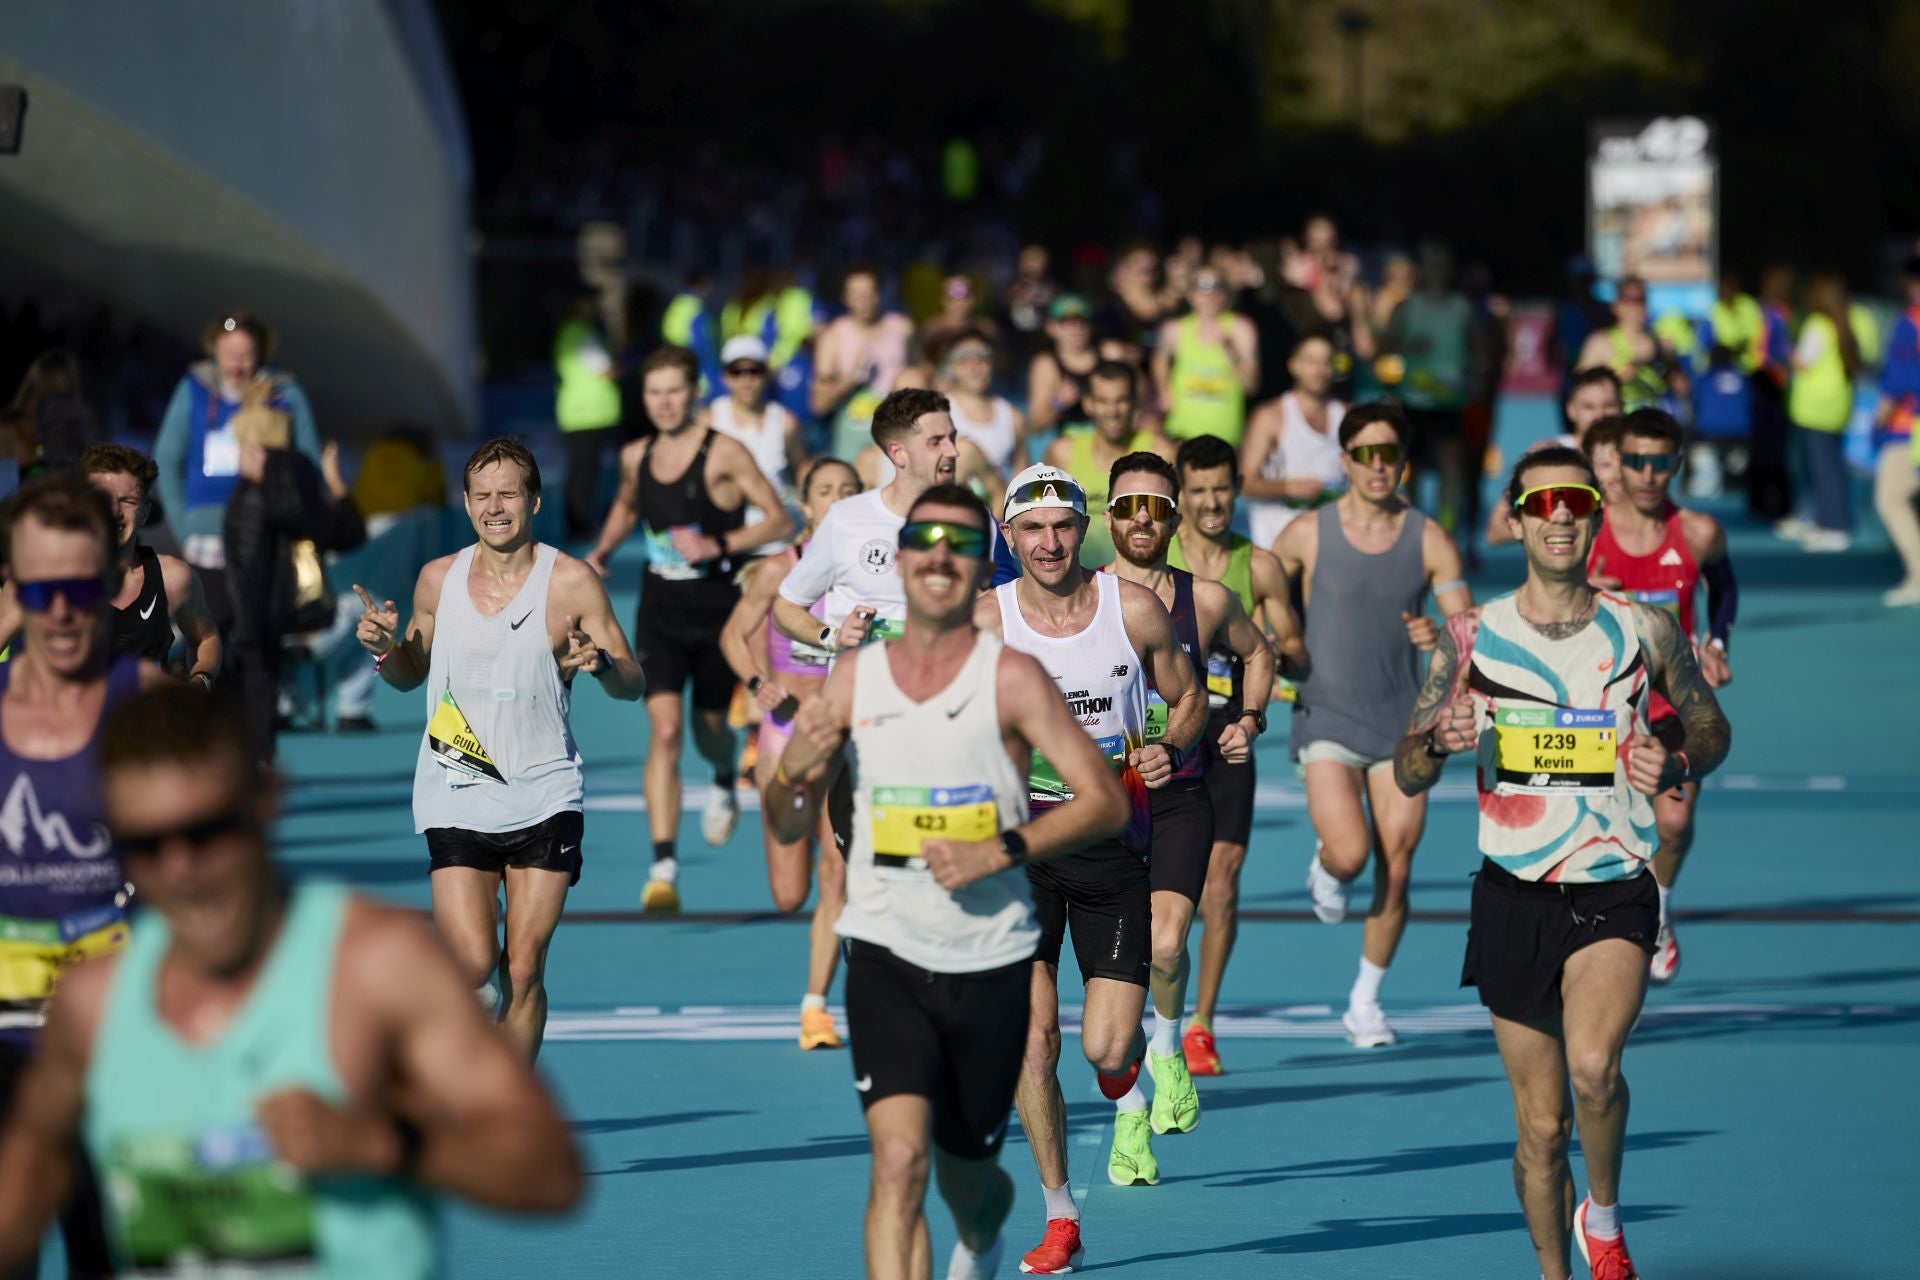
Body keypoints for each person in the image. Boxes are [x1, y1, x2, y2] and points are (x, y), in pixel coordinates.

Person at [0, 684, 584, 1277]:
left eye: (208, 832)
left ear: (267, 798)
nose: (182, 871)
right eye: (145, 846)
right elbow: (29, 1180)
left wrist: (383, 1143)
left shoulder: (378, 965)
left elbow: (549, 1167)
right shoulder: (95, 1003)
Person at [762, 484, 1128, 1280]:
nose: (939, 556)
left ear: (978, 564)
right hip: (888, 950)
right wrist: (794, 768)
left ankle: (987, 1230)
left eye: (960, 544)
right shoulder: (854, 680)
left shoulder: (1013, 678)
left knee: (967, 1181)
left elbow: (1101, 798)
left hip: (987, 956)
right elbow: (789, 819)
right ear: (901, 559)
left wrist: (1003, 849)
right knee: (897, 1164)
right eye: (924, 539)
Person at [1392, 444, 1730, 1280]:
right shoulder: (1472, 637)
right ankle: (1555, 1269)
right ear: (1513, 521)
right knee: (1541, 1132)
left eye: (1575, 501)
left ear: (1592, 513)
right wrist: (1439, 739)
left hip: (1614, 886)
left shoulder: (1642, 628)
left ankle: (1605, 1217)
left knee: (1593, 1069)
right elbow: (1407, 764)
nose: (1561, 517)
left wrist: (1677, 762)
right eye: (1541, 505)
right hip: (1512, 896)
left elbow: (1710, 725)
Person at [974, 465, 1204, 1274]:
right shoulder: (986, 621)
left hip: (1113, 855)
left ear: (1084, 530)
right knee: (1032, 1043)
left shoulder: (1131, 608)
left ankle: (1128, 1075)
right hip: (1023, 860)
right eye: (1030, 529)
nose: (1048, 542)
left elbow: (1190, 695)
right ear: (1008, 538)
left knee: (1107, 1051)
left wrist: (1169, 747)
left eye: (1062, 526)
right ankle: (1061, 1213)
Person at [358, 437, 645, 1057]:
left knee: (523, 969)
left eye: (509, 493)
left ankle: (507, 1119)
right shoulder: (438, 579)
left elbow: (632, 683)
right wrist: (385, 647)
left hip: (544, 790)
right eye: (482, 495)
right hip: (456, 785)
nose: (495, 507)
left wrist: (600, 666)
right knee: (471, 965)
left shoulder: (570, 582)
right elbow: (410, 672)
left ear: (534, 500)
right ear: (465, 503)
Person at [0, 473, 167, 1280]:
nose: (62, 610)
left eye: (80, 586)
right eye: (41, 588)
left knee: (105, 1250)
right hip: (2, 1040)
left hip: (115, 1037)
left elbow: (227, 885)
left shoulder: (148, 708)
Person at [1275, 402, 1473, 1046]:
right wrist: (1276, 652)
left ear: (1404, 462)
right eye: (1365, 453)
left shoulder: (1429, 538)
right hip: (1325, 713)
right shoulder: (1307, 532)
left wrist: (1435, 635)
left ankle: (1364, 1001)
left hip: (1402, 724)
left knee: (1400, 862)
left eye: (1388, 453)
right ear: (1345, 462)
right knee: (1352, 853)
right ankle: (1328, 867)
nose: (1377, 464)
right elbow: (1261, 596)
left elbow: (1465, 637)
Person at [1101, 451, 1274, 1139]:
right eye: (1127, 505)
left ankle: (1169, 1046)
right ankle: (1127, 1110)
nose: (1142, 518)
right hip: (1100, 804)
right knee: (1103, 983)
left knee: (1168, 945)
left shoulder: (1204, 598)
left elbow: (1258, 653)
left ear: (1174, 517)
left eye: (1157, 507)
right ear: (1105, 514)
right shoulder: (1078, 598)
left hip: (1180, 794)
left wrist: (1252, 719)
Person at [587, 346, 794, 911]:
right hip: (660, 610)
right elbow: (630, 503)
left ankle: (724, 773)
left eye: (675, 391)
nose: (665, 402)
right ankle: (663, 866)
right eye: (654, 393)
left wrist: (717, 544)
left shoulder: (725, 453)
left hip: (718, 610)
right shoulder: (635, 455)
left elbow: (780, 518)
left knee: (706, 729)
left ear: (694, 393)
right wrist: (603, 549)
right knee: (665, 732)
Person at [1165, 434, 1307, 1076]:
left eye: (1221, 487)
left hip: (1228, 737)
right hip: (1163, 730)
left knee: (1220, 887)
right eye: (1197, 491)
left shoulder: (1262, 566)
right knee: (1154, 890)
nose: (1212, 501)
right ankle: (1150, 1008)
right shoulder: (1153, 557)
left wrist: (1285, 650)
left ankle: (1201, 1023)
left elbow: (1292, 652)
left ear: (1237, 487)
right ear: (1180, 495)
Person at [719, 457, 864, 1050]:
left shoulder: (868, 570)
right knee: (788, 894)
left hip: (839, 733)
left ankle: (815, 1009)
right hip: (782, 735)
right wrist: (758, 686)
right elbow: (732, 636)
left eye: (847, 491)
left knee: (838, 871)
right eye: (824, 491)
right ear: (805, 506)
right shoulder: (778, 569)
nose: (835, 500)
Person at [1589, 408, 1737, 985]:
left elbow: (1724, 587)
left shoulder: (1697, 532)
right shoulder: (1587, 533)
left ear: (1677, 464)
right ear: (1616, 465)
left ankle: (1658, 912)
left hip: (1674, 706)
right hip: (1599, 709)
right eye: (1635, 461)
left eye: (1659, 463)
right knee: (1601, 837)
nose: (1648, 475)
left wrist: (1717, 642)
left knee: (1672, 825)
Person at [153, 309, 321, 632]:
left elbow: (308, 465)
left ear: (262, 352)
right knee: (207, 635)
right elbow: (166, 456)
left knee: (258, 640)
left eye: (246, 355)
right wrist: (182, 525)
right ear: (214, 349)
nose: (237, 365)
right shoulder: (194, 390)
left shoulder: (284, 394)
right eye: (229, 354)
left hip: (268, 538)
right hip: (206, 541)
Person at [222, 426, 366, 763]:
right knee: (363, 613)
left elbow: (350, 533)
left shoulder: (276, 504)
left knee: (366, 615)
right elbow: (350, 532)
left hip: (284, 624)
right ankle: (351, 708)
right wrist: (333, 484)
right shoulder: (280, 505)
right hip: (285, 624)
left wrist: (334, 483)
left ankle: (296, 701)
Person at [65, 444, 222, 680]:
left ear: (145, 512)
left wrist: (200, 684)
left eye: (127, 501)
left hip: (147, 716)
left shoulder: (172, 578)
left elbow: (206, 639)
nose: (114, 511)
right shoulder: (45, 578)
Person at [1042, 361, 1176, 569]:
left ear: (1135, 403)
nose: (1113, 411)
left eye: (1121, 400)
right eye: (1103, 401)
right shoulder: (1063, 454)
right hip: (1082, 584)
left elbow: (1180, 524)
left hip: (1145, 580)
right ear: (1088, 404)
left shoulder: (1162, 452)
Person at [1381, 242, 1474, 534]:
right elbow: (1383, 348)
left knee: (1452, 461)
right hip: (1414, 398)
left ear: (1450, 270)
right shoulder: (1406, 308)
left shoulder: (1462, 308)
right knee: (1416, 463)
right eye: (1431, 265)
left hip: (1451, 400)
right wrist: (1408, 347)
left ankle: (1447, 522)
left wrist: (1476, 379)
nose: (1437, 271)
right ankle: (1417, 520)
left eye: (1442, 265)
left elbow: (1479, 348)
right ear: (1421, 270)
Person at [1484, 368, 1622, 549]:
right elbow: (1496, 531)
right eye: (1589, 407)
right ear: (1570, 409)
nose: (1600, 415)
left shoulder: (1636, 457)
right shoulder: (1546, 456)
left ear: (1622, 406)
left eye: (1609, 405)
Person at [1239, 334, 1348, 550]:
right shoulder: (1271, 416)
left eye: (1326, 362)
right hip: (1277, 539)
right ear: (1293, 365)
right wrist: (1292, 488)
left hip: (1331, 538)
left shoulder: (1346, 415)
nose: (1319, 369)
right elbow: (1245, 483)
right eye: (1311, 361)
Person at [1785, 273, 1869, 552]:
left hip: (1815, 407)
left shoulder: (1818, 324)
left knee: (1822, 470)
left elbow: (1803, 361)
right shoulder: (1851, 319)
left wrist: (1788, 353)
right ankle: (1829, 520)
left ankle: (1832, 526)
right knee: (1833, 468)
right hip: (1839, 403)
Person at [813, 266, 915, 463]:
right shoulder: (833, 336)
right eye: (857, 294)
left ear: (880, 293)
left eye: (870, 293)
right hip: (854, 427)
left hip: (898, 426)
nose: (865, 300)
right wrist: (851, 379)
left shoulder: (902, 328)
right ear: (845, 297)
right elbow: (819, 404)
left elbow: (921, 371)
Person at [1154, 269, 1260, 448]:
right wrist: (1163, 390)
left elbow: (1251, 386)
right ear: (1189, 293)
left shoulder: (1241, 329)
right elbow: (1159, 359)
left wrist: (1232, 354)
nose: (1208, 294)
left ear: (1226, 293)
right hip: (1180, 432)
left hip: (1224, 435)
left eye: (1216, 287)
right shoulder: (1174, 329)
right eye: (1200, 286)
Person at [555, 294, 625, 539]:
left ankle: (577, 524)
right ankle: (580, 525)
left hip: (578, 414)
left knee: (578, 472)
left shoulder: (570, 332)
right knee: (584, 474)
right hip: (589, 414)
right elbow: (607, 370)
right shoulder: (583, 334)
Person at [711, 335, 805, 513]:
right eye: (736, 372)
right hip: (725, 522)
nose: (746, 380)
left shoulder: (786, 422)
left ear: (767, 374)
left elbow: (800, 468)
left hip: (778, 523)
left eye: (754, 371)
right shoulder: (707, 420)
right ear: (724, 377)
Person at [1874, 255, 1920, 606]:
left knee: (1891, 498)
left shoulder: (1909, 323)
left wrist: (1881, 416)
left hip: (1909, 428)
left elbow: (1898, 378)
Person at [1576, 276, 1688, 414]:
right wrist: (1616, 379)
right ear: (1616, 306)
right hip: (1617, 424)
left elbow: (1680, 385)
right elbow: (1580, 388)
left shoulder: (1662, 344)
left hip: (1653, 423)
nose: (1637, 306)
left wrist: (1678, 383)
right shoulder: (1599, 343)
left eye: (1641, 299)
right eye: (1630, 299)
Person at [939, 329, 1029, 476]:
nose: (974, 367)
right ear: (951, 366)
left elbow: (1023, 475)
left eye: (982, 358)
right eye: (964, 359)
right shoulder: (937, 413)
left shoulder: (1013, 417)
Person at [1026, 294, 1100, 433]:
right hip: (1069, 446)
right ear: (1051, 328)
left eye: (1082, 321)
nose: (1077, 329)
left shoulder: (1110, 355)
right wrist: (1060, 403)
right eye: (1067, 323)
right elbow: (1035, 424)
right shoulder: (1046, 365)